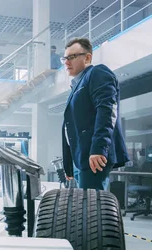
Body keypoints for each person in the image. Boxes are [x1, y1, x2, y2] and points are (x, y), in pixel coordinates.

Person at [61, 38, 129, 190]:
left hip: (93, 154)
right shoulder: (76, 85)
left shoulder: (97, 73)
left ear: (87, 57)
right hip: (81, 157)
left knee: (91, 208)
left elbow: (106, 110)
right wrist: (69, 164)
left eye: (71, 57)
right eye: (64, 58)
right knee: (85, 206)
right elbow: (70, 127)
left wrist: (99, 148)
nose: (66, 62)